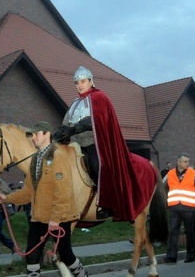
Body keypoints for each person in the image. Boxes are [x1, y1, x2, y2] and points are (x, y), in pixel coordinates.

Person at [0, 121, 95, 277]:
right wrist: (7, 198)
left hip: (59, 216)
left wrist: (56, 219)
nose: (33, 138)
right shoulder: (35, 160)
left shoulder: (58, 156)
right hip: (39, 216)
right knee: (32, 256)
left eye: (36, 135)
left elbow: (63, 192)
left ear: (47, 134)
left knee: (66, 255)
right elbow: (28, 192)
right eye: (32, 135)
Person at [54, 66, 138, 221]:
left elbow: (96, 120)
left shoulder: (99, 97)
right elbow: (66, 122)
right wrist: (59, 134)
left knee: (98, 164)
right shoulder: (75, 103)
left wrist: (76, 129)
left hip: (93, 141)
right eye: (77, 82)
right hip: (74, 142)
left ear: (90, 81)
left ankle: (107, 204)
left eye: (83, 81)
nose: (80, 85)